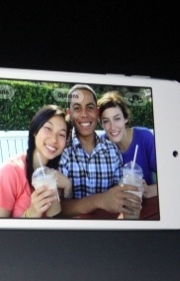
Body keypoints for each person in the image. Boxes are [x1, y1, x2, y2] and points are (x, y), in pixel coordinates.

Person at [58, 84, 141, 218]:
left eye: (90, 108)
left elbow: (119, 197)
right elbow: (58, 208)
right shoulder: (62, 151)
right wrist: (100, 200)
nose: (84, 114)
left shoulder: (112, 150)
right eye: (77, 108)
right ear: (69, 113)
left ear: (97, 112)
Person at [0, 105, 72, 218]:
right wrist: (31, 213)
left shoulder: (59, 171)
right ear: (35, 131)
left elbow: (60, 219)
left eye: (61, 134)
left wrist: (67, 187)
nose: (54, 139)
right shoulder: (9, 172)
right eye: (48, 128)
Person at [97, 90, 158, 198]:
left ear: (126, 118)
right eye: (106, 121)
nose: (112, 126)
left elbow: (170, 177)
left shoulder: (144, 138)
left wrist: (149, 190)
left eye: (117, 119)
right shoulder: (101, 145)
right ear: (102, 124)